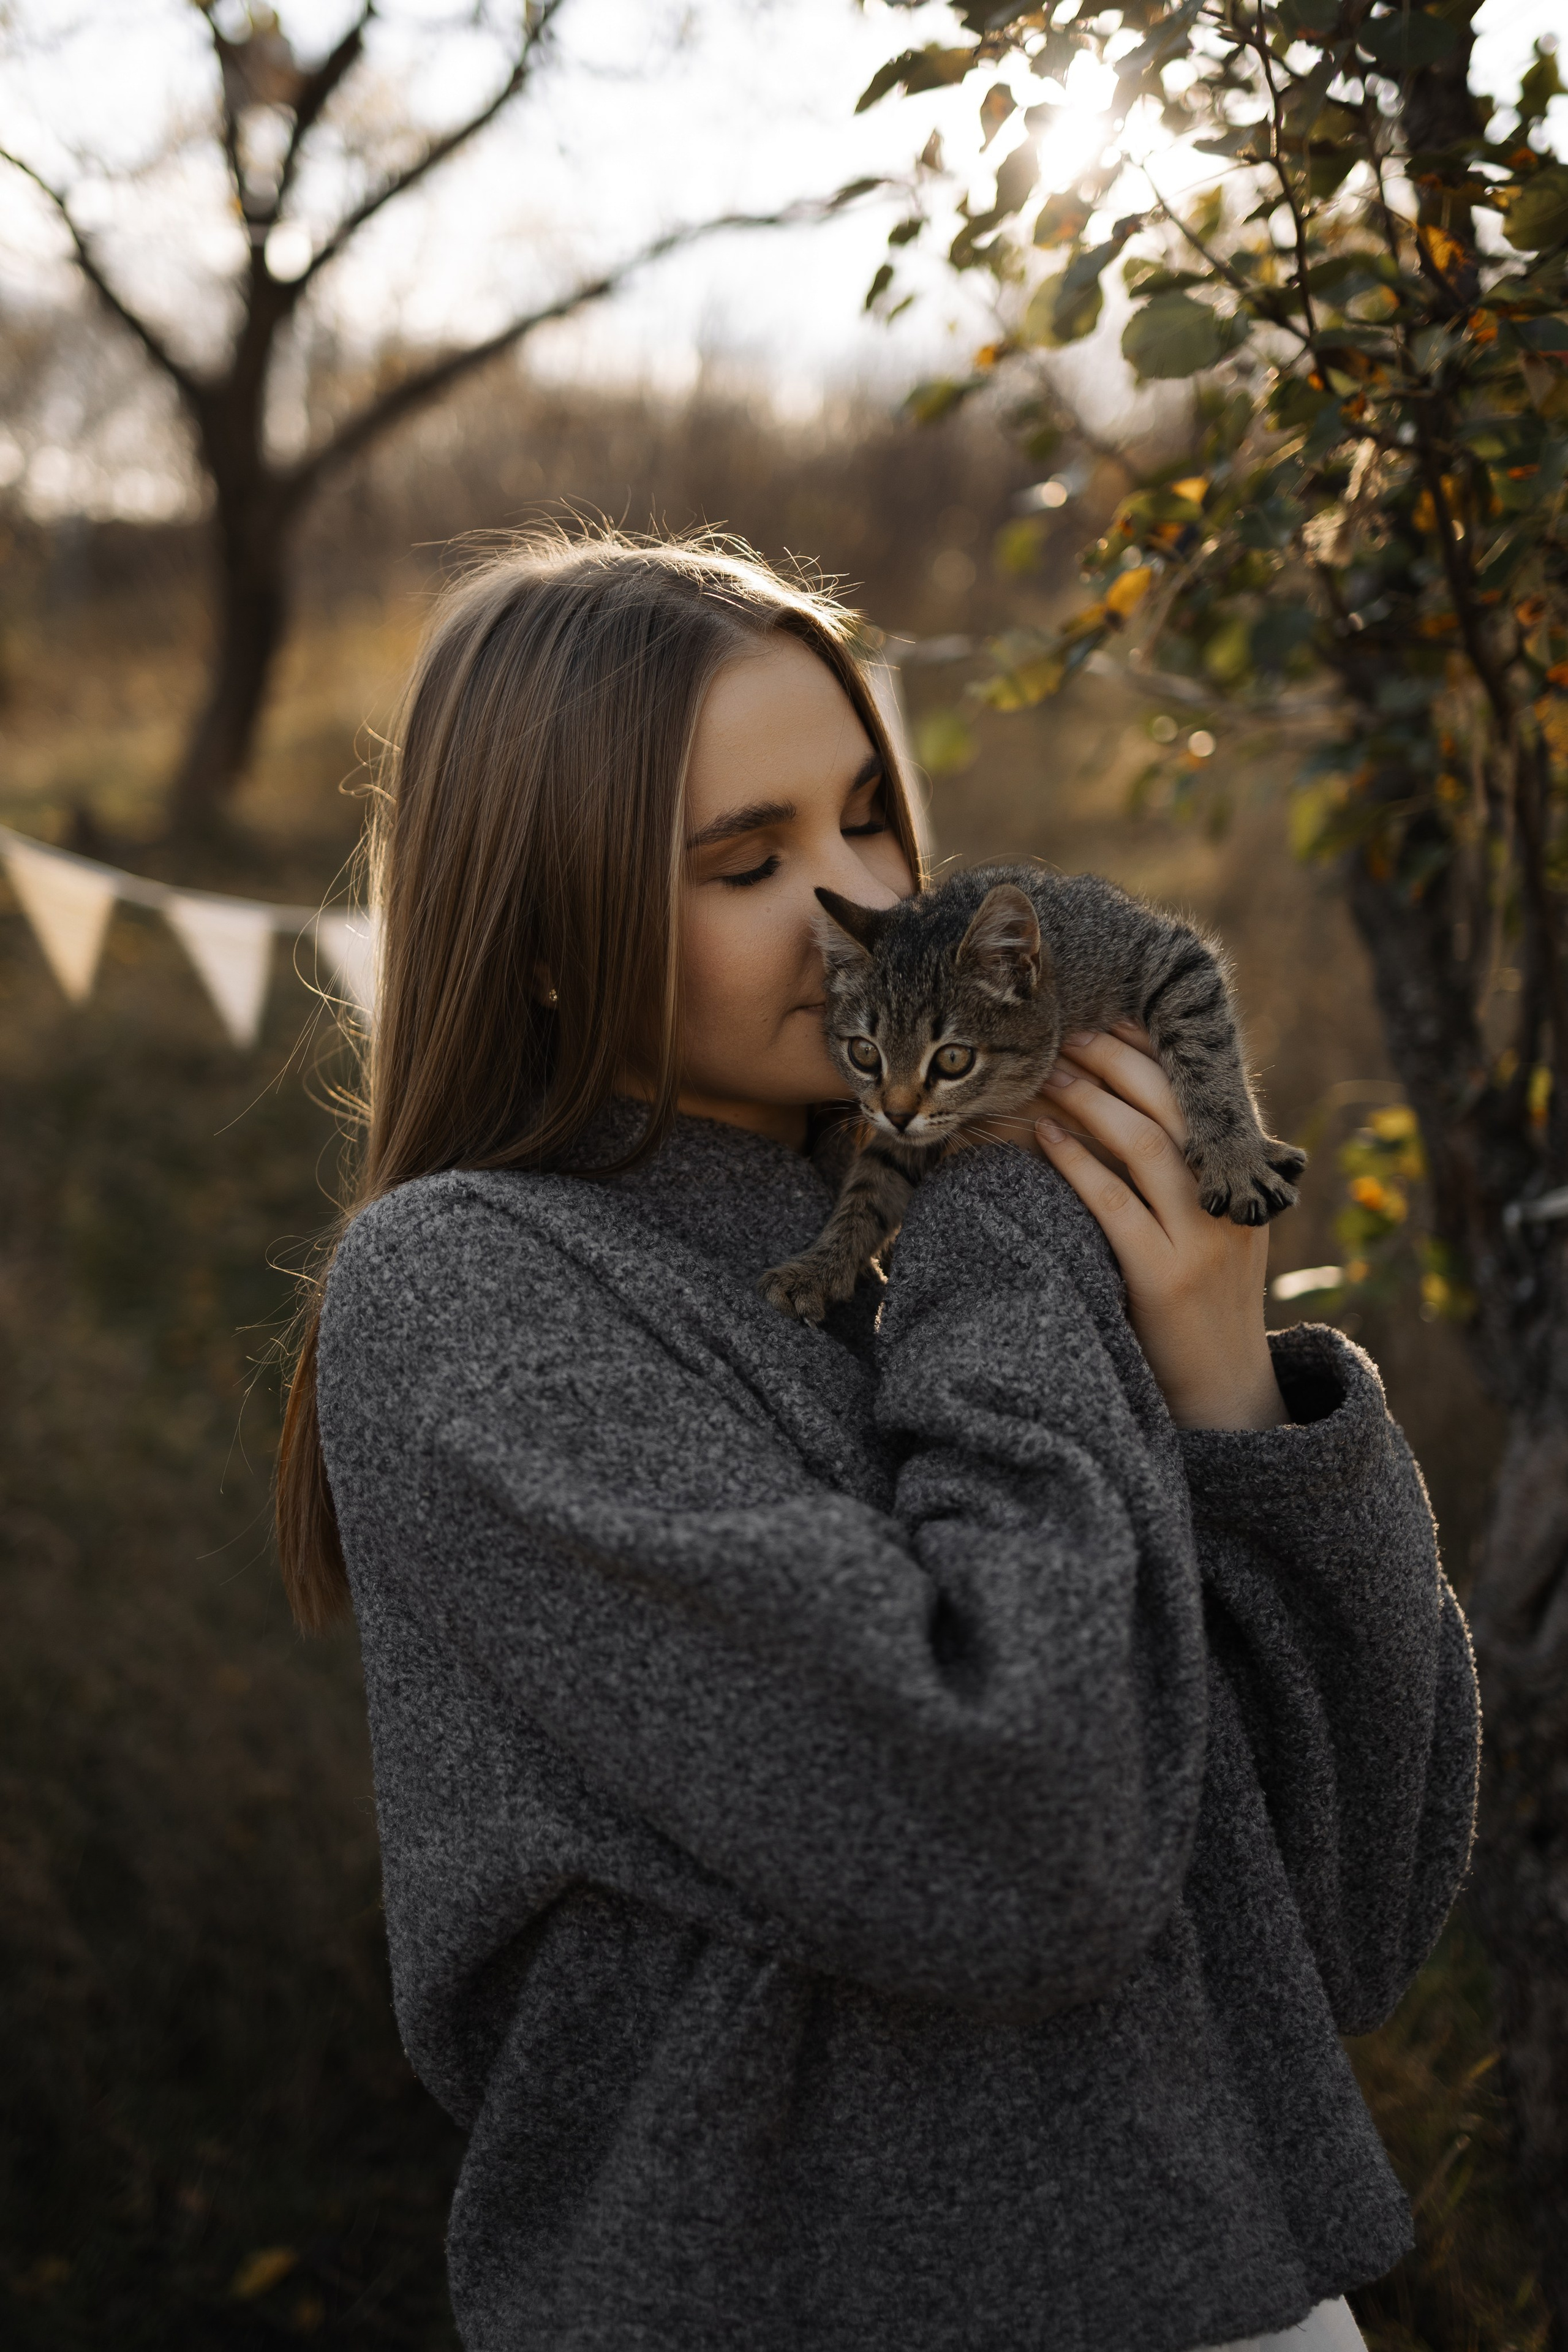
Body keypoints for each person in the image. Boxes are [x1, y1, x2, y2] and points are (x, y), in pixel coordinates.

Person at [277, 532, 1479, 2352]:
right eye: (749, 862)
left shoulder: (932, 1255)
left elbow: (1342, 1930)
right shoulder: (469, 1297)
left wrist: (1231, 1388)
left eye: (868, 821)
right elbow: (1025, 1836)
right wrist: (999, 1230)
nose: (861, 898)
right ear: (539, 934)